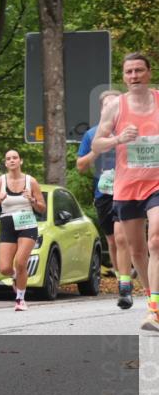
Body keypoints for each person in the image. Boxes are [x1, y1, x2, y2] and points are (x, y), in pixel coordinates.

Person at [92, 52, 159, 332]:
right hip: (128, 186)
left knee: (156, 240)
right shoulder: (115, 107)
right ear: (124, 76)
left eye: (139, 71)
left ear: (149, 72)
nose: (134, 76)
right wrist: (119, 138)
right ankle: (151, 297)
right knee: (137, 250)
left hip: (156, 183)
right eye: (129, 72)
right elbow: (97, 145)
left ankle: (155, 311)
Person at [77, 89, 134, 306]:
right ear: (102, 110)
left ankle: (125, 284)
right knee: (111, 239)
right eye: (106, 105)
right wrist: (96, 151)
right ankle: (122, 277)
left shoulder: (129, 132)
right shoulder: (92, 135)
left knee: (122, 238)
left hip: (126, 190)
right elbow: (81, 166)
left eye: (114, 104)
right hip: (103, 193)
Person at [0, 150, 47, 311]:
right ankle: (16, 277)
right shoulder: (0, 182)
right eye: (8, 159)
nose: (12, 160)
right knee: (4, 268)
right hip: (7, 224)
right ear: (5, 163)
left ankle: (20, 299)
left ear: (20, 161)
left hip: (27, 223)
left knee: (20, 262)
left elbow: (42, 208)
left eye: (15, 158)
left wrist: (32, 199)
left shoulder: (31, 181)